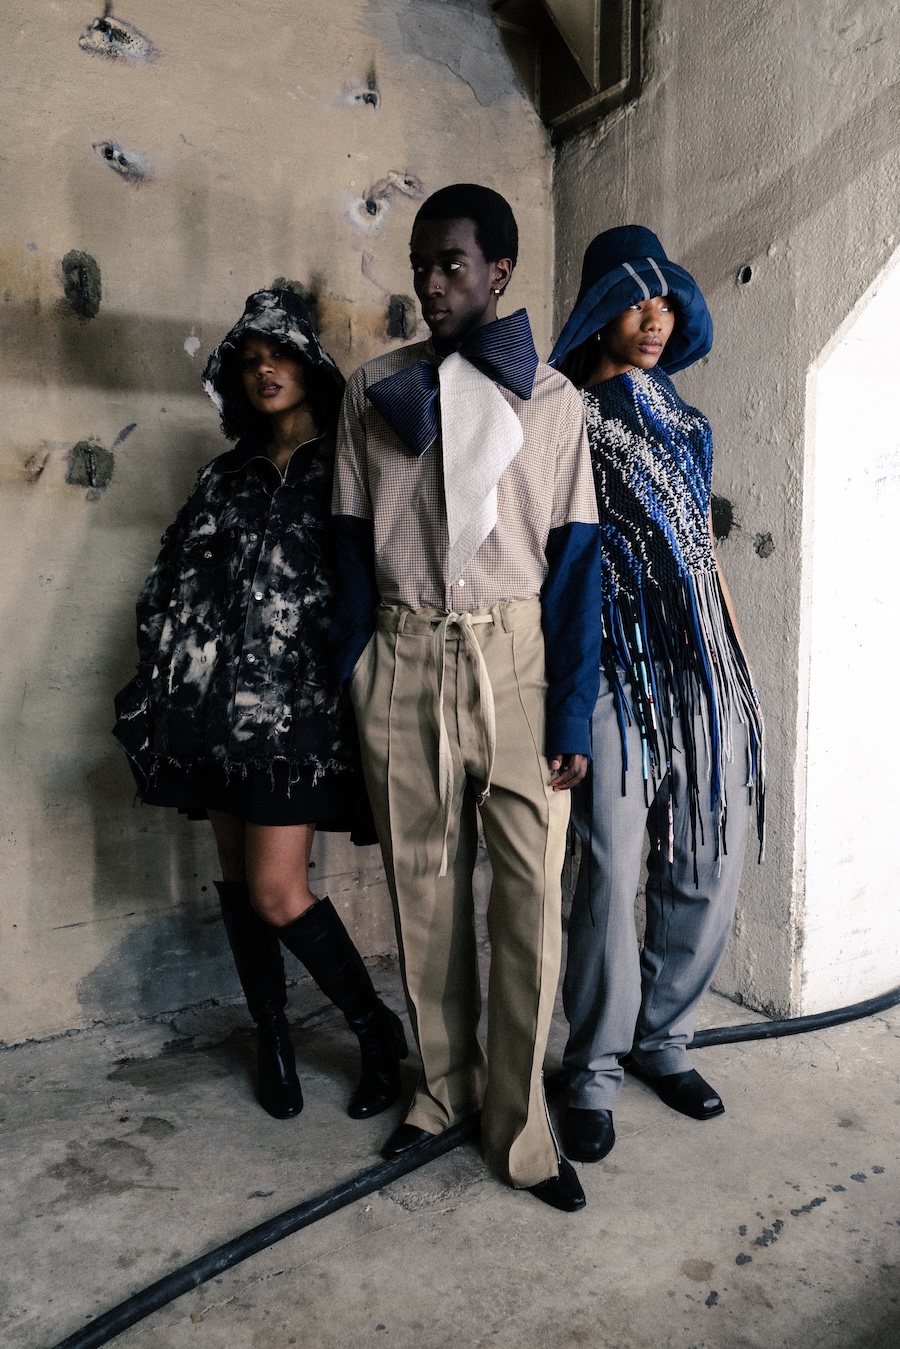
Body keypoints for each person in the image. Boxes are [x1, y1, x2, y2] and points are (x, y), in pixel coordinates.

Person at [331, 183, 603, 1212]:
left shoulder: (556, 401)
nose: (431, 284)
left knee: (530, 902)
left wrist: (569, 713)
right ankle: (444, 1089)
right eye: (420, 266)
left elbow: (576, 568)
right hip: (403, 655)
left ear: (499, 271)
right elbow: (346, 549)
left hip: (517, 659)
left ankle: (521, 1127)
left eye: (451, 264)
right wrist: (356, 678)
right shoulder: (373, 391)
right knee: (425, 891)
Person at [113, 288, 407, 1125]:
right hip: (214, 717)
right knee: (244, 885)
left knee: (279, 889)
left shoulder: (347, 463)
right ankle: (271, 1033)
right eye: (248, 360)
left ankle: (375, 1028)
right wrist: (162, 682)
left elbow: (380, 579)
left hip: (298, 721)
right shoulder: (222, 477)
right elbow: (172, 584)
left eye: (278, 354)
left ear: (309, 364)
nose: (264, 370)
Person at [548, 226, 765, 1164]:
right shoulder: (561, 417)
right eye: (635, 301)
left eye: (666, 302)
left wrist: (737, 666)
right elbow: (556, 561)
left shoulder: (690, 423)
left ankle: (664, 1040)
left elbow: (702, 553)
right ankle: (592, 1069)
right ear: (601, 312)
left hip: (704, 670)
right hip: (612, 670)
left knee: (709, 854)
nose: (654, 318)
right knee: (608, 869)